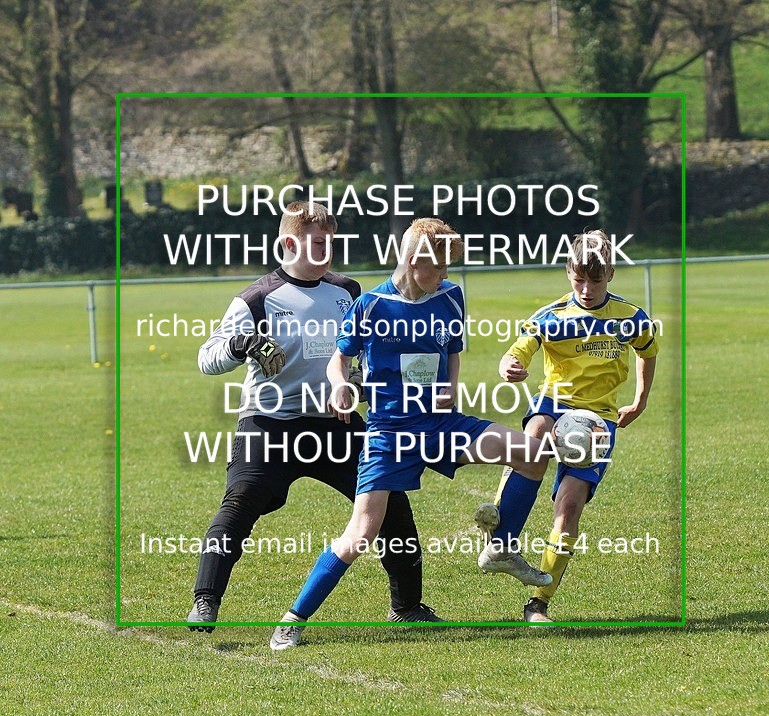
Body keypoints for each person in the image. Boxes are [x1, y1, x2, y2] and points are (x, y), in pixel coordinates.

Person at [270, 217, 553, 651]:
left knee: (532, 454)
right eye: (438, 268)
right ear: (412, 260)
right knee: (363, 531)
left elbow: (452, 351)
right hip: (390, 434)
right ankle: (293, 618)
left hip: (441, 425)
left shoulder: (451, 297)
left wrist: (450, 387)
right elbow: (338, 360)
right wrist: (342, 384)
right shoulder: (370, 306)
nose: (445, 276)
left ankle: (501, 547)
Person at [187, 201, 439, 631]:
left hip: (334, 424)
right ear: (289, 243)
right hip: (269, 424)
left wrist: (354, 385)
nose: (328, 250)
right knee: (240, 503)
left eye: (331, 242)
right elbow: (206, 358)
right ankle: (205, 601)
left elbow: (361, 356)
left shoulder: (349, 292)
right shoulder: (257, 298)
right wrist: (240, 345)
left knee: (391, 503)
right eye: (318, 243)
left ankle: (408, 607)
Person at [474, 230, 659, 622]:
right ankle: (501, 539)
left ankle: (538, 602)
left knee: (569, 507)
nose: (587, 289)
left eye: (596, 280)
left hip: (599, 420)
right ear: (568, 273)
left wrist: (640, 400)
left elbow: (648, 352)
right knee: (534, 437)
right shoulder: (552, 317)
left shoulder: (630, 318)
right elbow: (520, 347)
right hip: (554, 403)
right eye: (579, 279)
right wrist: (509, 365)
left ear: (610, 274)